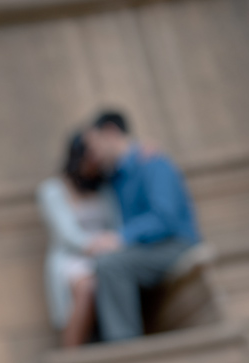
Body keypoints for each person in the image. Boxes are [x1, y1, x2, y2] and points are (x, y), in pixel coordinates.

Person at [84, 110, 201, 341]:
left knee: (110, 264)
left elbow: (166, 218)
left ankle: (125, 346)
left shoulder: (153, 163)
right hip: (146, 251)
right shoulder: (113, 177)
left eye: (94, 145)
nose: (92, 154)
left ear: (110, 133)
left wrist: (120, 238)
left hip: (175, 244)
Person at [38, 132, 120, 348]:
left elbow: (115, 224)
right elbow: (68, 236)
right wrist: (100, 243)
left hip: (107, 252)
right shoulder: (53, 190)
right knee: (86, 288)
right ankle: (72, 353)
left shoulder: (105, 187)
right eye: (90, 155)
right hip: (73, 258)